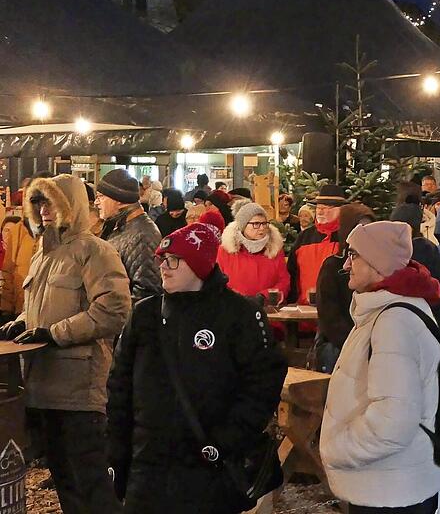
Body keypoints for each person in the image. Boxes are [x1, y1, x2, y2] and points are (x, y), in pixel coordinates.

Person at [107, 223, 288, 513]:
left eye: (173, 260)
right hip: (148, 466)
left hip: (209, 466)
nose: (164, 267)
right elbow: (118, 388)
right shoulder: (144, 315)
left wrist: (227, 440)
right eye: (161, 260)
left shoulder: (238, 314)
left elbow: (262, 385)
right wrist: (117, 454)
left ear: (199, 264)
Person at [0, 174, 131, 514]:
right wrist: (18, 325)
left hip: (78, 390)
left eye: (50, 201)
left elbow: (113, 309)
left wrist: (55, 333)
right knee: (65, 481)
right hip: (43, 385)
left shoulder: (95, 251)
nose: (43, 209)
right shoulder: (45, 254)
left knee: (91, 484)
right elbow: (39, 308)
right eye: (38, 201)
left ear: (70, 204)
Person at [319, 221, 440, 513]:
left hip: (390, 489)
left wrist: (336, 449)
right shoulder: (388, 310)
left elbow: (393, 422)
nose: (347, 264)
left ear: (378, 265)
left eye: (354, 255)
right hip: (392, 481)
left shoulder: (393, 323)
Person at [313, 203, 376, 372]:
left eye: (369, 228)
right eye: (360, 228)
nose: (365, 234)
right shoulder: (333, 267)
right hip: (340, 346)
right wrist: (354, 344)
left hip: (370, 346)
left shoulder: (377, 265)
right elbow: (329, 316)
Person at [217, 202, 290, 338]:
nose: (261, 228)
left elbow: (283, 280)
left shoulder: (275, 249)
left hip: (268, 316)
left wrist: (264, 296)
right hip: (233, 315)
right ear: (244, 225)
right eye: (256, 224)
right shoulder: (226, 250)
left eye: (264, 223)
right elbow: (217, 282)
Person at [96, 169, 163, 305]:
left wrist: (114, 316)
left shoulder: (143, 235)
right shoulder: (118, 226)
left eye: (101, 196)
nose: (96, 202)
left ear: (120, 200)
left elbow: (146, 293)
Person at [288, 185, 347, 306]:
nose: (320, 211)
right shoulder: (304, 237)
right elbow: (291, 274)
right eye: (318, 207)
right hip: (303, 312)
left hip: (337, 313)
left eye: (326, 208)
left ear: (340, 210)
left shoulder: (348, 237)